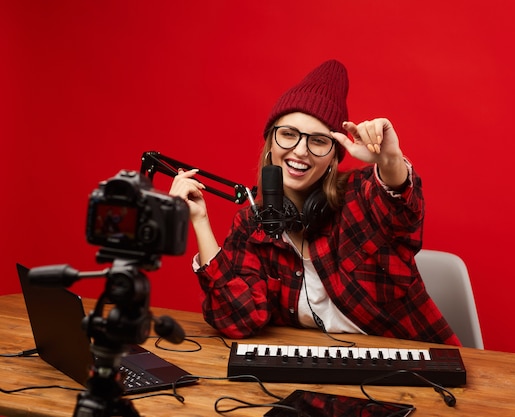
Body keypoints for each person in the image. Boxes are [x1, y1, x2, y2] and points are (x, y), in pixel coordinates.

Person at [169, 60, 460, 346]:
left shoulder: (362, 196)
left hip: (412, 371)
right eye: (288, 135)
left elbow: (402, 208)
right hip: (319, 376)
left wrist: (390, 161)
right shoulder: (253, 224)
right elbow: (239, 319)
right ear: (270, 144)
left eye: (318, 140)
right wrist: (200, 221)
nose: (300, 150)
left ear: (334, 155)